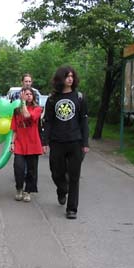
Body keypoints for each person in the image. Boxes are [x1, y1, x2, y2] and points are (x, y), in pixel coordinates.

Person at [42, 66, 89, 219]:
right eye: (67, 76)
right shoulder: (52, 99)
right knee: (56, 173)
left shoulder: (79, 97)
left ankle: (72, 209)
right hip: (57, 142)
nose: (70, 79)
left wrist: (85, 142)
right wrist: (45, 141)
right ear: (60, 79)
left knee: (74, 176)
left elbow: (84, 121)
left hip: (75, 141)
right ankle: (62, 190)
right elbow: (47, 122)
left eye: (72, 76)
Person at [10, 88, 43, 202]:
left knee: (31, 170)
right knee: (18, 168)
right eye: (26, 94)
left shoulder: (37, 109)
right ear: (21, 96)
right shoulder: (16, 111)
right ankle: (19, 188)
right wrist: (12, 143)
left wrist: (23, 103)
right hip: (20, 143)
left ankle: (28, 191)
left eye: (30, 94)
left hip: (33, 144)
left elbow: (28, 115)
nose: (28, 96)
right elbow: (14, 129)